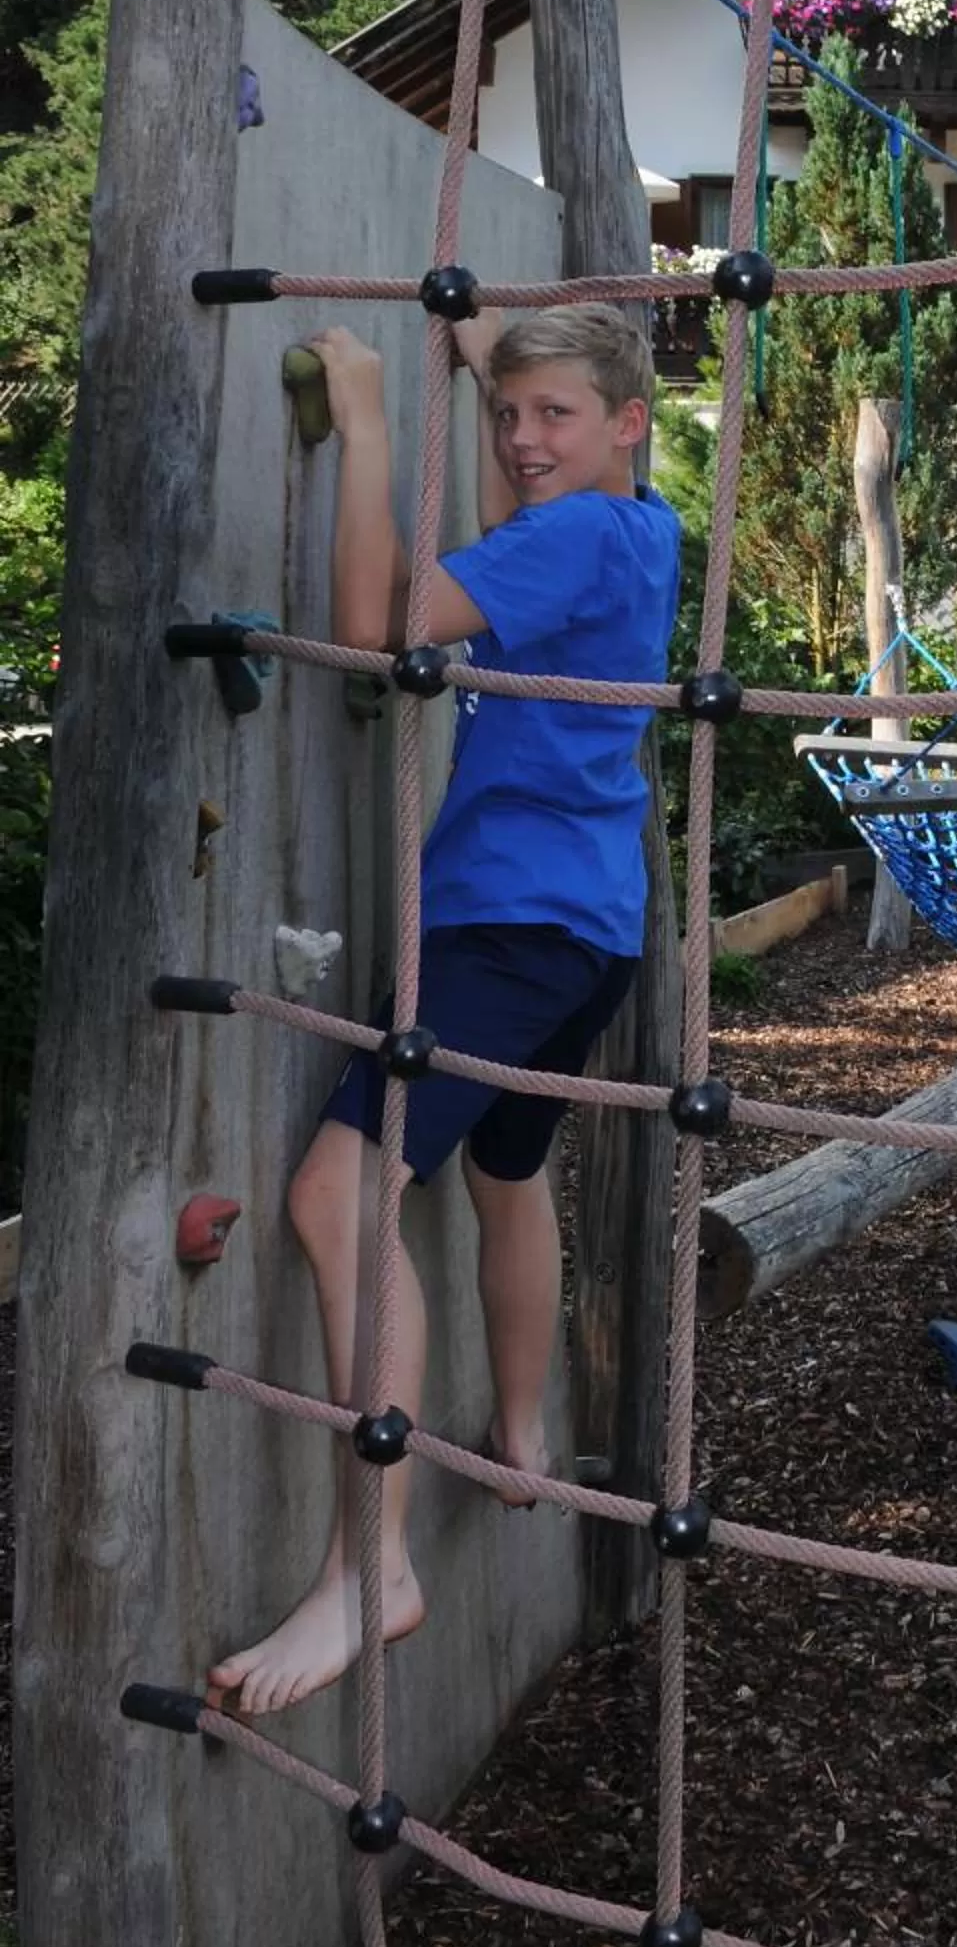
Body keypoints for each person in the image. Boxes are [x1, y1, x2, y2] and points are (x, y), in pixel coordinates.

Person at [207, 302, 680, 1718]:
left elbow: (377, 628)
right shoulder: (637, 527)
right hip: (594, 923)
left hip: (506, 922)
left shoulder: (574, 534)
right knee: (508, 1170)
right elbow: (503, 545)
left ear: (629, 425)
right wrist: (493, 376)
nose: (526, 443)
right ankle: (524, 1429)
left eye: (557, 418)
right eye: (508, 416)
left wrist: (365, 413)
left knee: (335, 1196)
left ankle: (377, 1567)